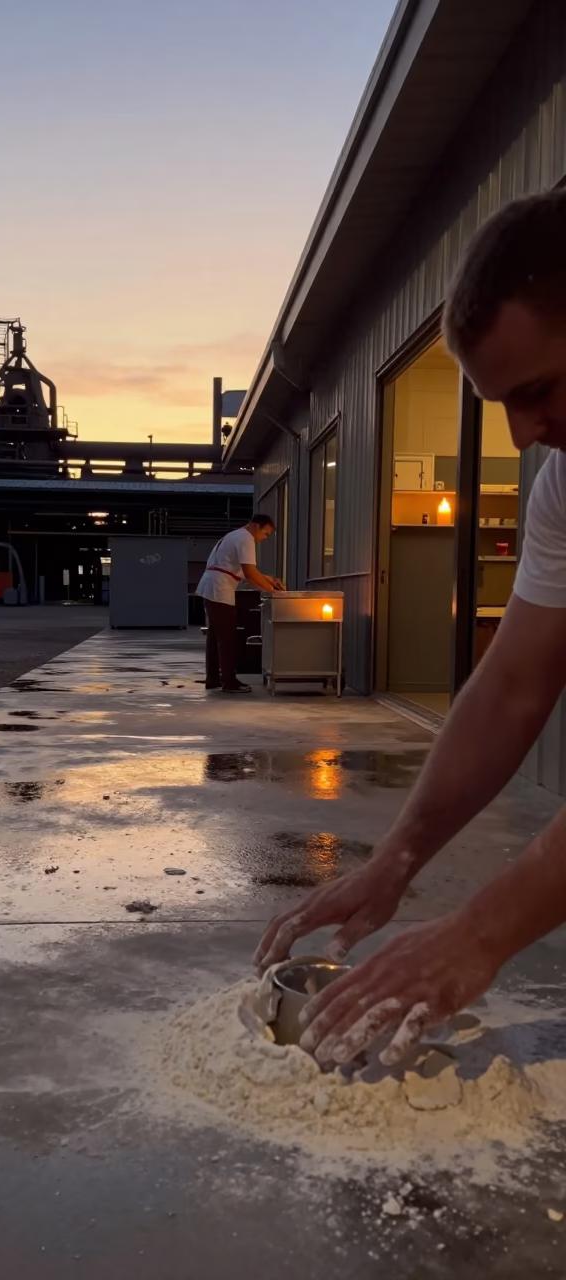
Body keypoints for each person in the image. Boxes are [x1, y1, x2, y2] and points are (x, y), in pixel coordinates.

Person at [254, 190, 566, 1070]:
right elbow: (511, 686)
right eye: (499, 402)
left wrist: (477, 935)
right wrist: (397, 860)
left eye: (537, 389)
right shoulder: (563, 490)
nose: (525, 432)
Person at [196, 514, 285, 693]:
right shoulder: (246, 538)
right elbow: (250, 572)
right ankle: (229, 682)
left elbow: (243, 572)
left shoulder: (233, 535)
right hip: (219, 589)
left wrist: (268, 580)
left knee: (215, 637)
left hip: (211, 586)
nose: (263, 538)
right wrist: (274, 592)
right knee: (227, 638)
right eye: (265, 534)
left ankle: (213, 679)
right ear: (255, 526)